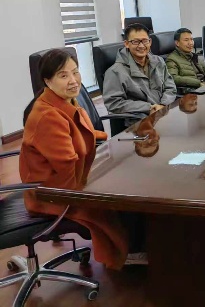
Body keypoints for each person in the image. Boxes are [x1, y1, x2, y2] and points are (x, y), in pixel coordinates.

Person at [19, 49, 144, 270]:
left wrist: (117, 138)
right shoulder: (48, 115)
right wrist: (96, 191)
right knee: (121, 195)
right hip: (52, 193)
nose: (73, 80)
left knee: (128, 183)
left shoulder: (64, 102)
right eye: (63, 75)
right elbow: (67, 169)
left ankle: (136, 244)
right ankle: (128, 252)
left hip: (68, 180)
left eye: (75, 72)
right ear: (47, 81)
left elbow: (79, 132)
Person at [103, 23, 177, 120]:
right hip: (139, 120)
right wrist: (148, 108)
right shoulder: (115, 71)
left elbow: (170, 87)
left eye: (145, 41)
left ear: (150, 42)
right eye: (136, 42)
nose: (141, 46)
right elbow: (113, 103)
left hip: (163, 112)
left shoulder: (158, 61)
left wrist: (163, 105)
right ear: (126, 44)